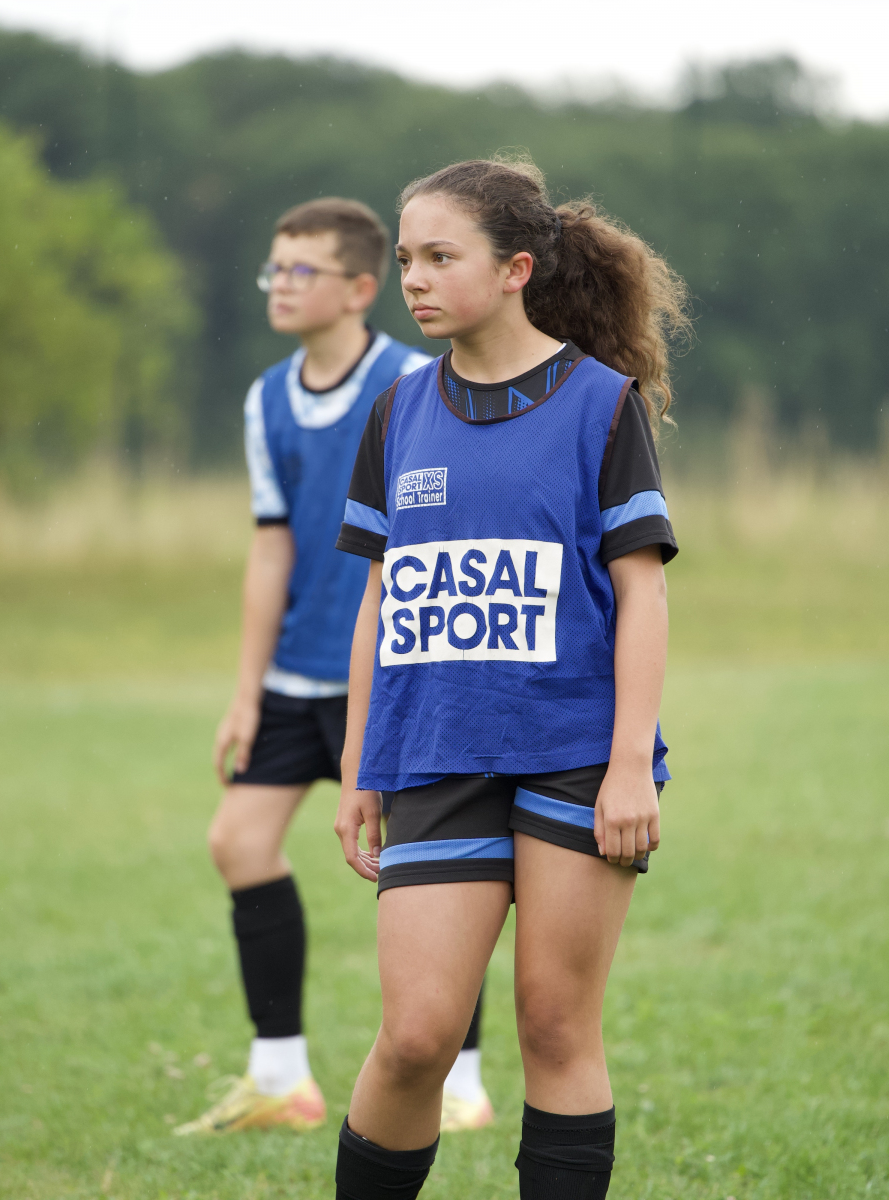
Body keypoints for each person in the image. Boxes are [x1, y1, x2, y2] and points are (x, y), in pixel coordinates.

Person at [331, 157, 686, 1199]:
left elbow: (644, 596)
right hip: (436, 751)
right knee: (416, 1036)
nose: (415, 279)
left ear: (516, 269)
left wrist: (631, 766)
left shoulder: (602, 406)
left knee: (555, 1026)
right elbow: (380, 601)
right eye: (407, 258)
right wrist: (360, 764)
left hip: (575, 755)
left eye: (441, 256)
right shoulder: (398, 412)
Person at [179, 197, 498, 1136]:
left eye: (300, 270)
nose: (279, 286)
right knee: (238, 844)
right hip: (295, 680)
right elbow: (270, 547)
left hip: (397, 679)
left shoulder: (417, 384)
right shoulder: (265, 399)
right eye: (273, 269)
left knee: (434, 871)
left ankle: (461, 1083)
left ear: (360, 289)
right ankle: (280, 1079)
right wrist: (246, 691)